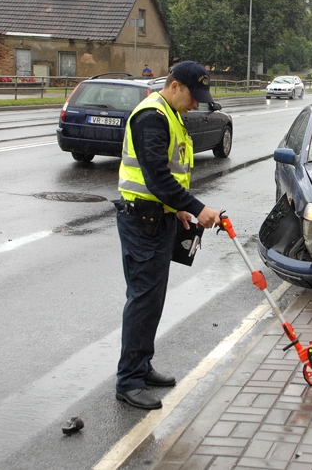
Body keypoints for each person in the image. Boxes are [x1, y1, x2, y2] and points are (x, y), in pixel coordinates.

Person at [114, 61, 222, 410]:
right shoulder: (151, 117)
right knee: (143, 299)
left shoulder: (171, 115)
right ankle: (128, 380)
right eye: (193, 96)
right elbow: (157, 176)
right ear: (174, 86)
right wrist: (196, 206)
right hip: (141, 222)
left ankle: (141, 366)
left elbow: (164, 180)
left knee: (153, 298)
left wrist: (177, 208)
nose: (196, 104)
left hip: (159, 219)